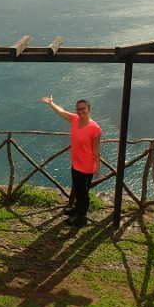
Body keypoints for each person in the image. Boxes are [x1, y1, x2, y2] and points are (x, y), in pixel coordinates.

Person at [41, 96, 101, 227]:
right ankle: (77, 209)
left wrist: (98, 167)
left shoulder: (95, 128)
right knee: (78, 188)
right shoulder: (75, 119)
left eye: (83, 109)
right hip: (76, 163)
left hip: (87, 166)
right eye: (78, 109)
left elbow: (96, 149)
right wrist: (51, 103)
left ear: (89, 109)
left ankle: (81, 216)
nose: (80, 111)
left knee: (82, 193)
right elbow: (61, 112)